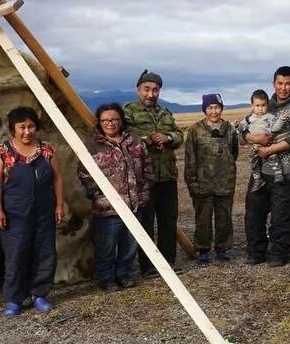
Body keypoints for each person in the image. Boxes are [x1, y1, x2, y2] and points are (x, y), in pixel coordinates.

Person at [0, 106, 64, 315]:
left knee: (45, 252)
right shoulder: (2, 152)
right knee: (16, 254)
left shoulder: (47, 150)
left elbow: (57, 178)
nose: (27, 131)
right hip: (14, 213)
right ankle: (14, 299)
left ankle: (40, 295)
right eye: (22, 127)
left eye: (31, 126)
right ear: (13, 128)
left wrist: (59, 205)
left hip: (43, 210)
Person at [77, 102, 153, 292]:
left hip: (134, 205)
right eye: (105, 120)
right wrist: (98, 197)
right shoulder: (92, 146)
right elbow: (85, 175)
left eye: (114, 119)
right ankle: (106, 278)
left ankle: (124, 274)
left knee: (130, 245)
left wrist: (143, 194)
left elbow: (147, 168)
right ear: (100, 123)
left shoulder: (135, 142)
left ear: (121, 120)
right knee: (107, 246)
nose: (110, 123)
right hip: (107, 209)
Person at [239, 66, 290, 266]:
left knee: (281, 214)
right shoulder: (262, 104)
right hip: (260, 170)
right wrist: (254, 137)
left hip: (284, 170)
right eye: (280, 83)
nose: (283, 87)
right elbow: (243, 129)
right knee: (253, 212)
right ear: (274, 84)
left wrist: (269, 150)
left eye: (288, 83)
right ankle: (256, 251)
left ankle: (279, 252)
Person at [124, 69, 184, 276]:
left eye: (155, 90)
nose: (151, 94)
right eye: (146, 89)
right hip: (144, 178)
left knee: (168, 220)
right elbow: (125, 136)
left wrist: (167, 138)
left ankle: (168, 263)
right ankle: (149, 266)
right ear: (138, 89)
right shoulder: (129, 111)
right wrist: (150, 138)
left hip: (167, 175)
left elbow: (178, 134)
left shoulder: (165, 113)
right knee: (146, 222)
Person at [184, 93, 238, 264]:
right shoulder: (195, 130)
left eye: (217, 107)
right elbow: (190, 157)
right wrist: (192, 182)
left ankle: (222, 248)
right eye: (210, 108)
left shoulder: (229, 129)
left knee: (224, 218)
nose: (214, 111)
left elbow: (234, 152)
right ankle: (203, 250)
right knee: (203, 219)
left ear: (222, 108)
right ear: (204, 109)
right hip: (202, 183)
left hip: (225, 182)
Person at [240, 89, 279, 192]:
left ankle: (278, 176)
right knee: (253, 160)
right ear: (252, 106)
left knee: (273, 157)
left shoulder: (270, 117)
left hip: (269, 144)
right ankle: (257, 179)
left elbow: (276, 128)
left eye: (263, 105)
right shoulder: (249, 118)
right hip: (255, 146)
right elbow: (242, 129)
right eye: (257, 106)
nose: (260, 109)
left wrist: (281, 122)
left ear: (267, 105)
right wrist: (237, 126)